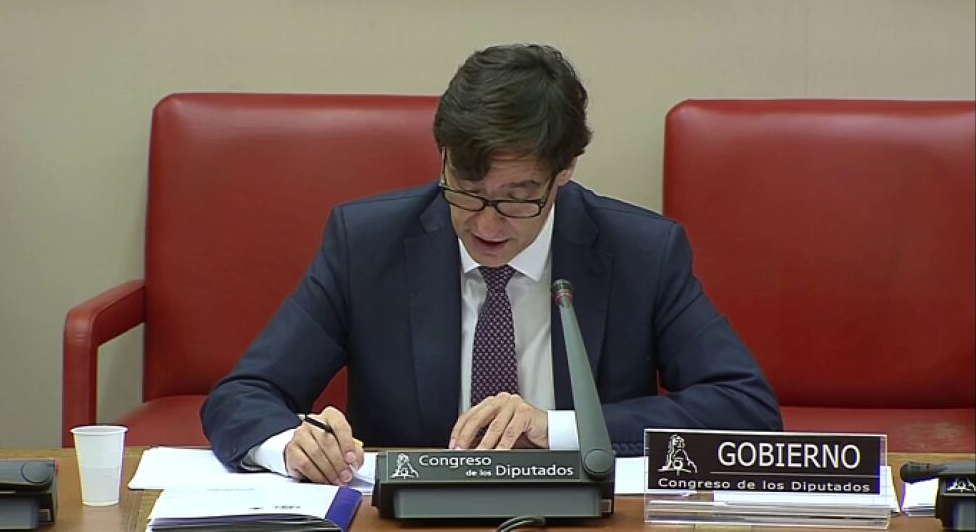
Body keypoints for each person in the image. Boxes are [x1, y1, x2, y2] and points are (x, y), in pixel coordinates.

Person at [201, 43, 782, 486]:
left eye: (517, 199)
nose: (485, 224)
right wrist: (289, 446)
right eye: (466, 191)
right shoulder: (367, 245)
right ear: (444, 158)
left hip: (580, 514)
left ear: (563, 173)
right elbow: (244, 394)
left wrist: (555, 428)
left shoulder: (640, 252)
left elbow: (746, 410)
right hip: (410, 516)